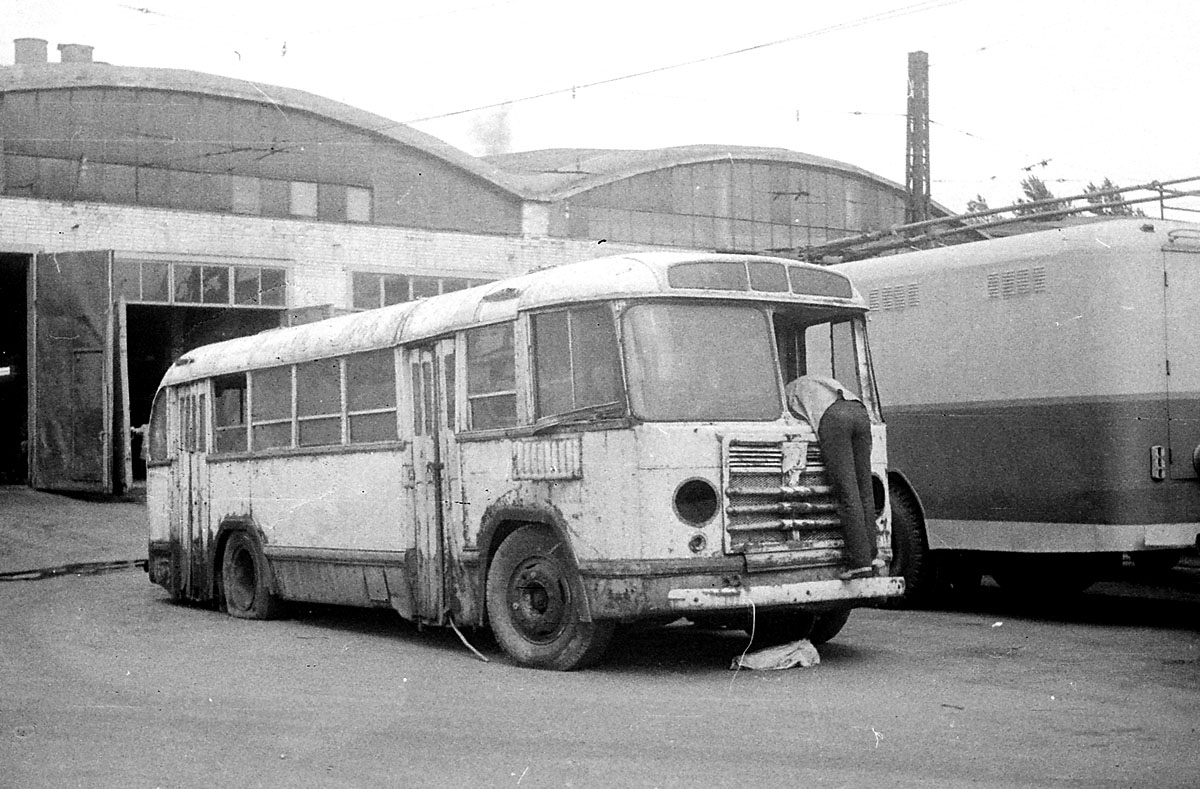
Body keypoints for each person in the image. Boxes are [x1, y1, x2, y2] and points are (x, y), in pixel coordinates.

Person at [786, 375, 883, 580]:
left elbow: (792, 425)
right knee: (864, 489)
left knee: (847, 492)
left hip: (834, 419)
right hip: (858, 410)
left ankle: (859, 563)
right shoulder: (814, 381)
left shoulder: (788, 392)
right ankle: (872, 556)